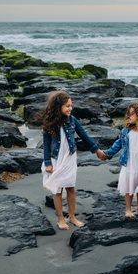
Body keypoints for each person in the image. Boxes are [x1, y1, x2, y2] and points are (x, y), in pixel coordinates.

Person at [41, 90, 105, 230]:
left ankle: (72, 216)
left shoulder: (73, 120)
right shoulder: (50, 123)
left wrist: (97, 150)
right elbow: (45, 144)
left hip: (69, 159)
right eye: (67, 106)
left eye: (71, 105)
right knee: (57, 190)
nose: (70, 108)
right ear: (58, 107)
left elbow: (84, 136)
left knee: (70, 188)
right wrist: (47, 163)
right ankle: (60, 219)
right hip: (56, 159)